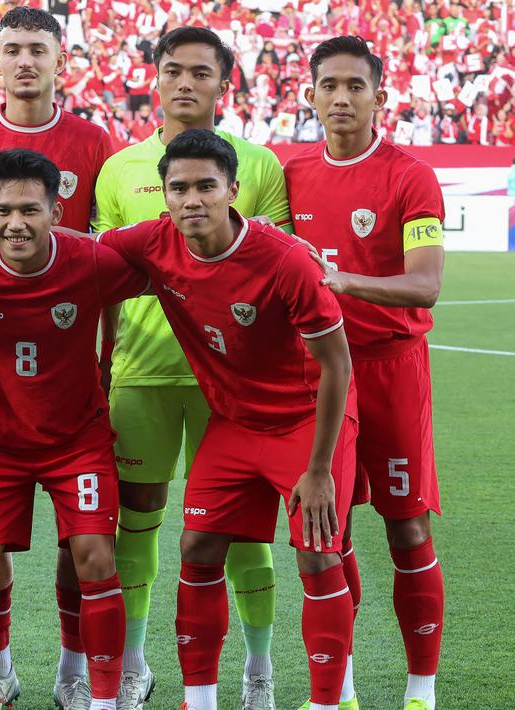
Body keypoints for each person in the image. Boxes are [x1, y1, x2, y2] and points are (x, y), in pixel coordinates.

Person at [103, 129, 358, 710]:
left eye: (205, 187)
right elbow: (77, 249)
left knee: (317, 551)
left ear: (232, 190)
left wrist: (320, 469)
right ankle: (202, 699)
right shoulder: (152, 241)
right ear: (164, 194)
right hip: (236, 423)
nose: (192, 199)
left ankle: (324, 703)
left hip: (306, 420)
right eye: (179, 188)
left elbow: (337, 363)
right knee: (197, 546)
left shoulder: (286, 259)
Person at [91, 26, 290, 710]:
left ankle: (257, 672)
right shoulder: (119, 169)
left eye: (199, 72)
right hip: (141, 376)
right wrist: (101, 363)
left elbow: (274, 270)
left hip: (233, 385)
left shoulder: (259, 165)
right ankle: (133, 664)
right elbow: (102, 276)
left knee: (240, 533)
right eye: (171, 70)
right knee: (136, 521)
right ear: (154, 77)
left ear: (221, 82)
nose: (184, 83)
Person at [0, 7, 113, 706]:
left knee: (82, 547)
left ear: (60, 60)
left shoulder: (93, 141)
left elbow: (112, 248)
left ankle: (74, 676)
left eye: (38, 48)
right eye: (12, 49)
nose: (25, 60)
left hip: (73, 372)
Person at [0, 149, 148, 710]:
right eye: (2, 211)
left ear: (57, 210)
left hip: (78, 441)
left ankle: (100, 698)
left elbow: (171, 259)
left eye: (30, 210)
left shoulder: (92, 261)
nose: (15, 224)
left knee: (95, 555)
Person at [285, 35, 446, 710]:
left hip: (391, 371)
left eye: (356, 85)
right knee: (327, 530)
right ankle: (340, 691)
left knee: (406, 526)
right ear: (311, 95)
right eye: (330, 85)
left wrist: (337, 279)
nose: (341, 97)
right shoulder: (289, 175)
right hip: (321, 375)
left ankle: (420, 692)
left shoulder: (409, 176)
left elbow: (425, 285)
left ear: (379, 96)